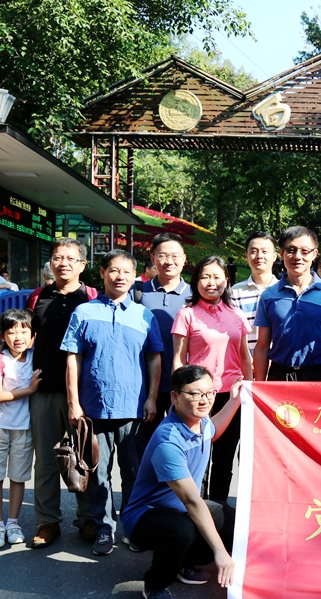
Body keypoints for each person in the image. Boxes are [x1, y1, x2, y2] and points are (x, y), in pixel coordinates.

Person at [62, 249, 163, 557]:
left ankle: (132, 529)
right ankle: (104, 529)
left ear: (135, 277)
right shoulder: (83, 312)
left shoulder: (144, 316)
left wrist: (151, 398)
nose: (121, 277)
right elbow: (73, 358)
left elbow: (154, 358)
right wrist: (73, 403)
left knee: (133, 473)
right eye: (114, 270)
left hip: (133, 409)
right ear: (103, 273)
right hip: (94, 408)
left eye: (127, 272)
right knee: (97, 474)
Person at [122, 365, 240, 599]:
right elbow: (192, 502)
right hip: (145, 516)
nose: (204, 400)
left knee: (231, 519)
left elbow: (214, 430)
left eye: (209, 393)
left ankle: (182, 562)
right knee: (181, 530)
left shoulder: (200, 422)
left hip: (180, 510)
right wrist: (220, 553)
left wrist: (234, 401)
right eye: (195, 394)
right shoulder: (168, 441)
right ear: (175, 397)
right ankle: (155, 585)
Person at [24, 239, 98, 548]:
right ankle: (47, 522)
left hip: (83, 394)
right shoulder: (38, 297)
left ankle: (88, 519)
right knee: (45, 461)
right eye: (57, 258)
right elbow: (22, 337)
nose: (63, 263)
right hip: (45, 390)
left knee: (84, 458)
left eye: (70, 258)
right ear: (50, 264)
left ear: (82, 265)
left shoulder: (92, 298)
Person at [171, 256, 252, 502]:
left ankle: (218, 508)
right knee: (198, 457)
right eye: (205, 276)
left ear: (226, 280)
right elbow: (178, 359)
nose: (211, 282)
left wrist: (249, 392)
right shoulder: (187, 314)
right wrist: (180, 397)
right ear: (196, 281)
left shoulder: (236, 314)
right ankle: (195, 509)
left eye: (217, 277)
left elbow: (245, 356)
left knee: (224, 459)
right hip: (198, 396)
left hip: (232, 396)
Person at [0, 309, 41, 549]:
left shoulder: (36, 357)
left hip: (24, 427)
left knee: (18, 477)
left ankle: (13, 524)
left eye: (24, 331)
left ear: (33, 335)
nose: (18, 337)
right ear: (3, 336)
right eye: (12, 332)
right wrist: (30, 390)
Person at [254, 226, 321, 382]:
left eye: (304, 251)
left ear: (314, 254)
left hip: (318, 377)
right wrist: (259, 387)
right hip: (279, 377)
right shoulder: (268, 296)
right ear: (281, 253)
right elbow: (262, 346)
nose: (297, 256)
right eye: (291, 250)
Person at [133, 233, 192, 452]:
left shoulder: (195, 295)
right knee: (146, 448)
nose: (169, 261)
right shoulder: (137, 292)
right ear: (153, 258)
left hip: (185, 384)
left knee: (184, 446)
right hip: (146, 385)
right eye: (163, 255)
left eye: (175, 256)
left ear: (184, 259)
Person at [230, 232, 280, 357]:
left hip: (277, 363)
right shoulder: (234, 292)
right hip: (244, 362)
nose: (259, 256)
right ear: (246, 256)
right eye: (254, 251)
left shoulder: (284, 291)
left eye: (265, 251)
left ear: (274, 256)